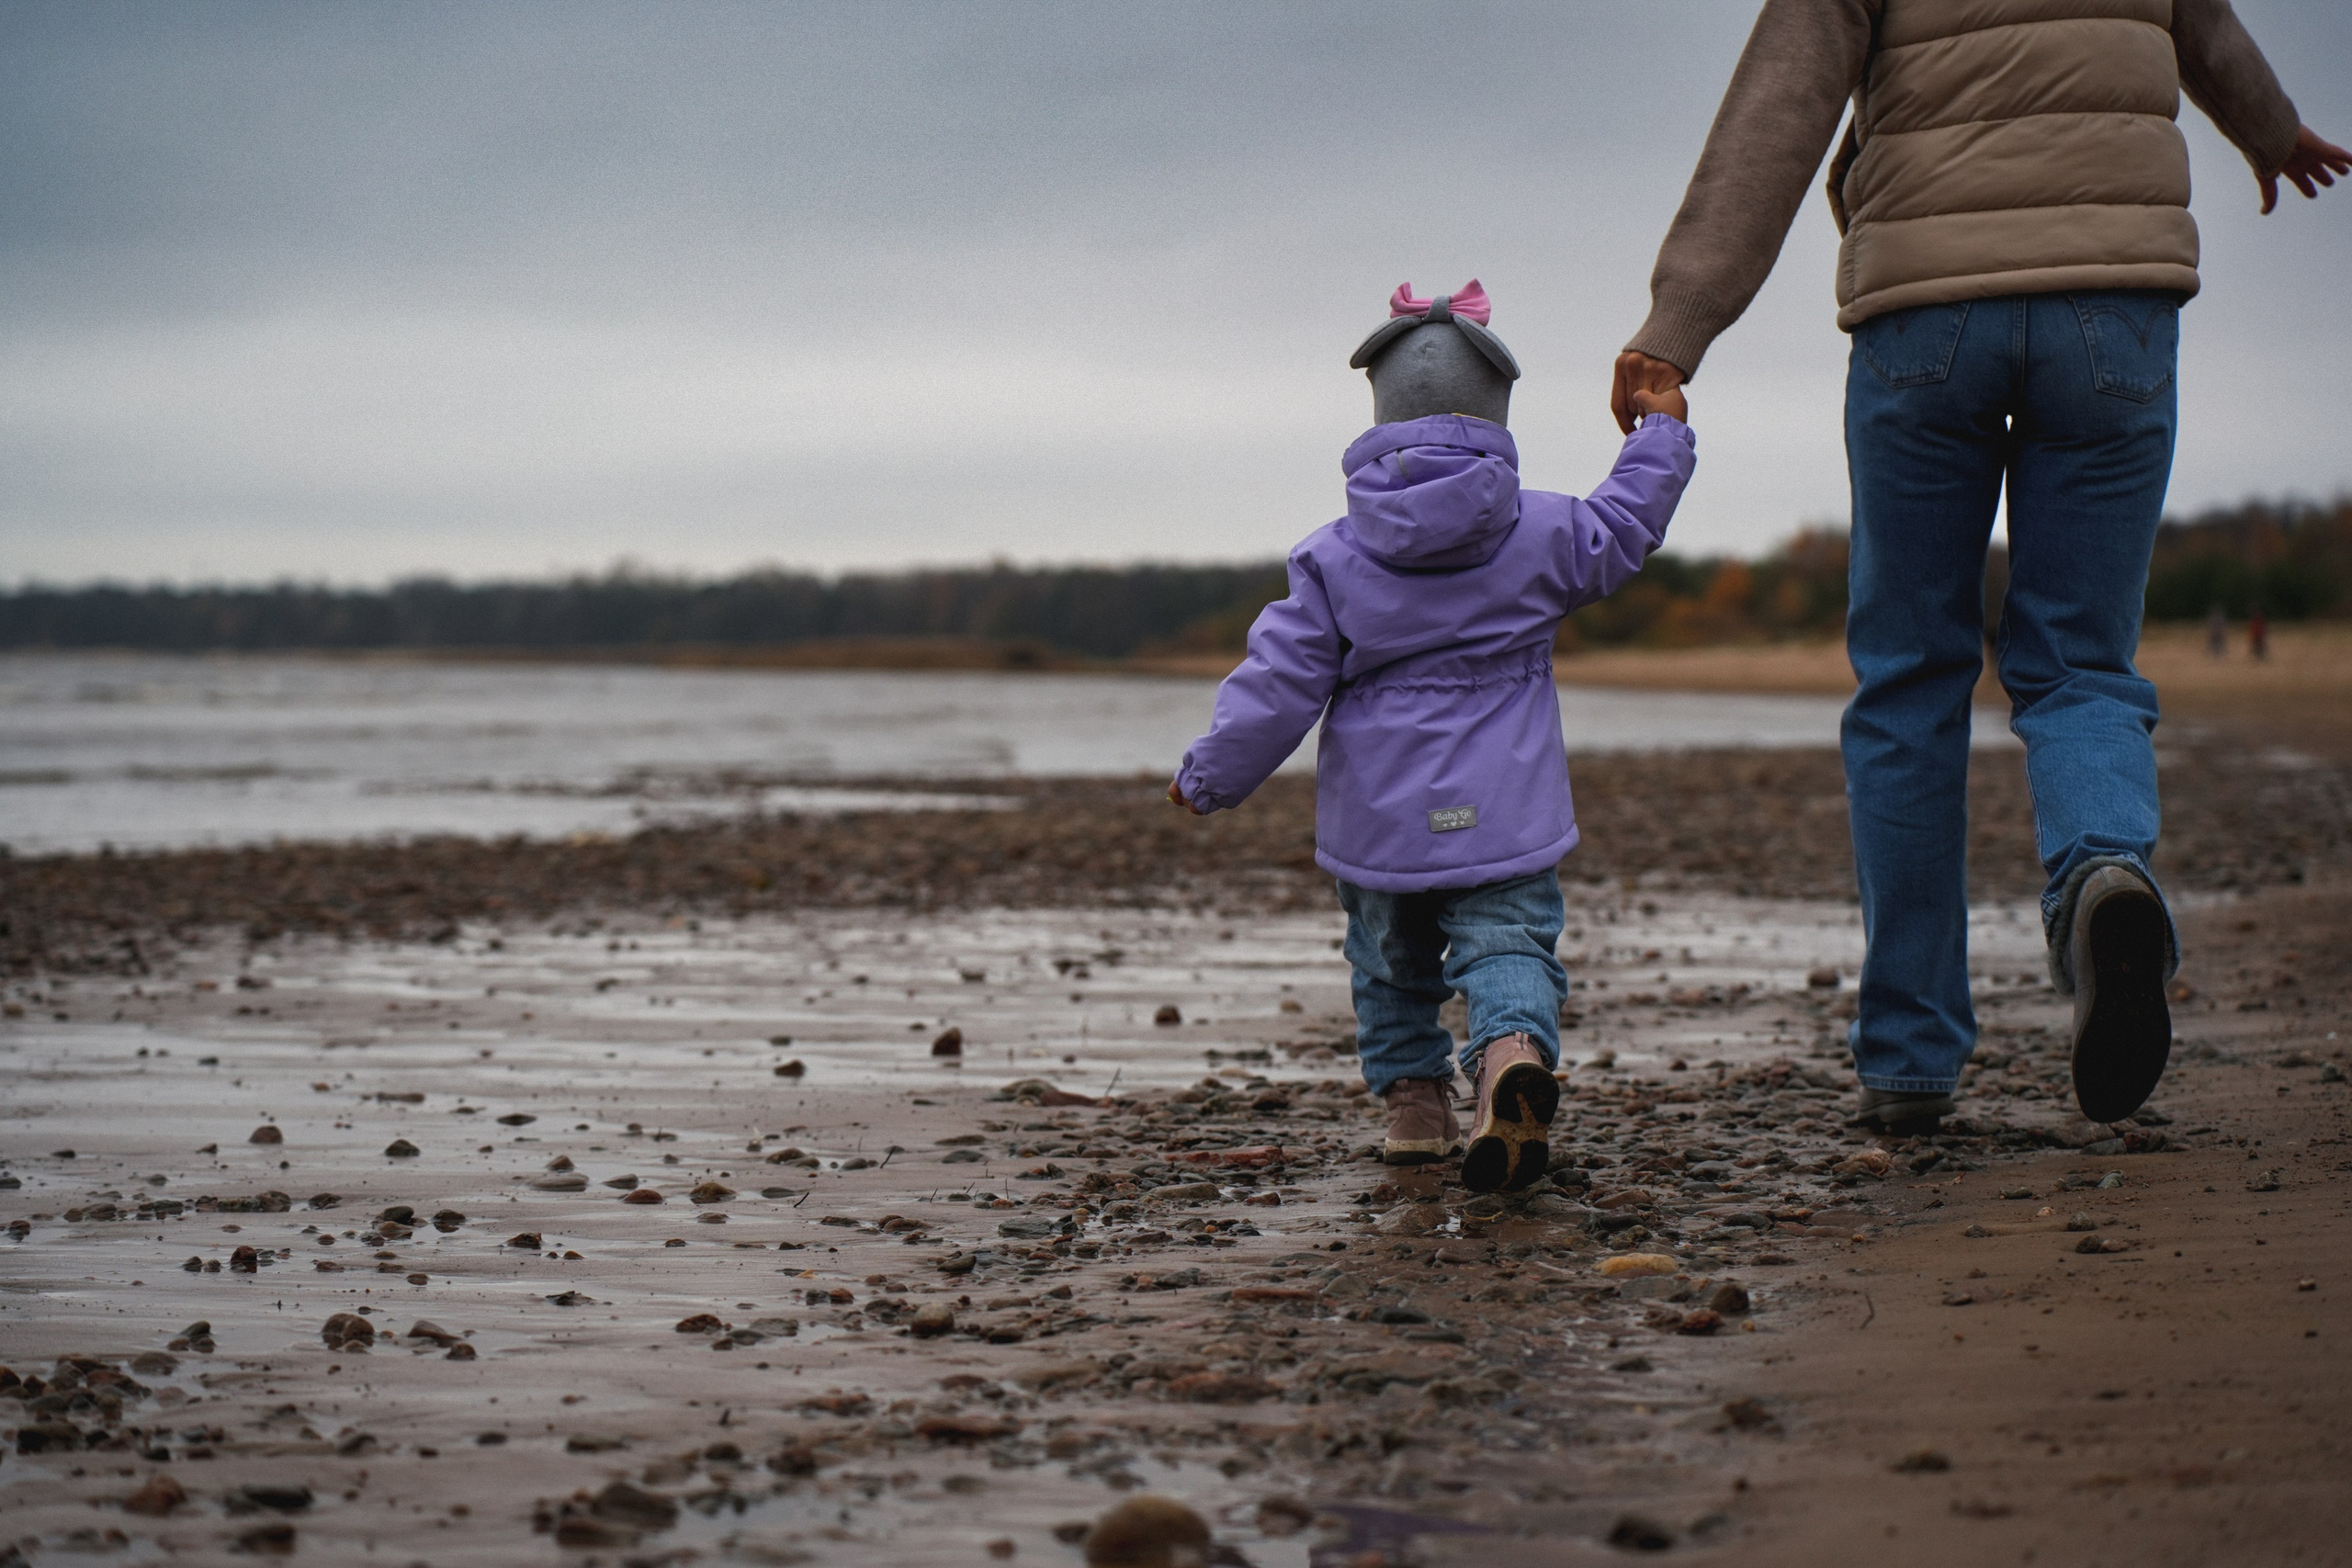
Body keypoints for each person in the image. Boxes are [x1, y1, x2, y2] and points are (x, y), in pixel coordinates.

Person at [1612, 0, 2347, 1134]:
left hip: (1925, 309)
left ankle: (1909, 1056)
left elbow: (1783, 101)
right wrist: (2271, 129)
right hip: (2115, 300)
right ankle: (2102, 873)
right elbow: (2205, 28)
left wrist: (1677, 324)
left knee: (1910, 677)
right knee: (2080, 662)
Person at [1168, 281, 1695, 1192]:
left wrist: (1211, 773)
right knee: (1507, 942)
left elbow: (1280, 681)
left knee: (1389, 961)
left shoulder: (1331, 557)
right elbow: (1625, 524)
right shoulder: (1543, 530)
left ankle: (1415, 1107)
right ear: (1494, 412)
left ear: (1380, 413)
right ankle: (1509, 1058)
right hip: (1506, 804)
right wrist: (1659, 435)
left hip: (1382, 818)